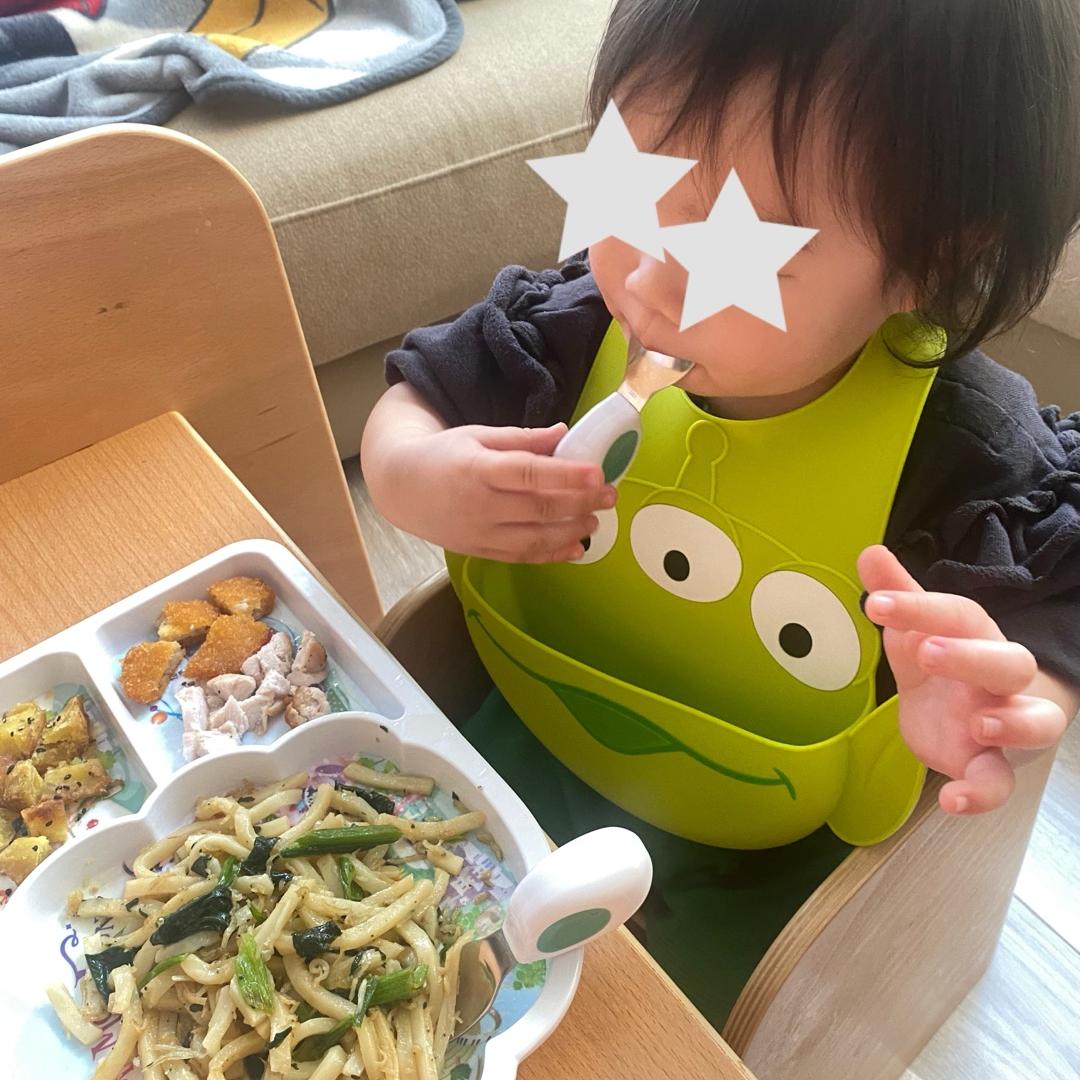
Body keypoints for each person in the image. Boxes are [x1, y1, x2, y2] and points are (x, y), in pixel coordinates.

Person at [361, 0, 1080, 1027]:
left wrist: (1000, 693)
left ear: (926, 264)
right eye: (630, 190)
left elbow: (1056, 590)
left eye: (734, 253)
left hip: (766, 859)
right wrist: (410, 472)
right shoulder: (572, 326)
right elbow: (420, 394)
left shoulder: (964, 450)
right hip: (520, 738)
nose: (647, 283)